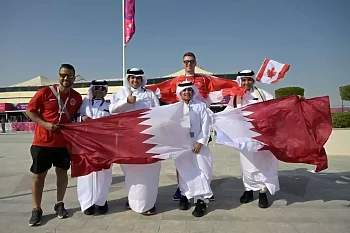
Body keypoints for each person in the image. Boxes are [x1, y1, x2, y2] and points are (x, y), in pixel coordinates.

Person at [147, 52, 242, 201]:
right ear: (182, 64)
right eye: (186, 62)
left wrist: (239, 85)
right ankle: (181, 187)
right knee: (181, 158)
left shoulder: (204, 79)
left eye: (191, 61)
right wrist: (142, 90)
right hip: (182, 123)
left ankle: (204, 187)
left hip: (200, 121)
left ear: (195, 62)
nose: (188, 64)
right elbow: (159, 89)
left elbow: (222, 84)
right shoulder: (176, 81)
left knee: (201, 158)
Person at [26, 64, 82, 226]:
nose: (66, 78)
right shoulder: (45, 92)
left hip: (63, 143)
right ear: (58, 76)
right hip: (42, 142)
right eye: (63, 75)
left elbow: (79, 116)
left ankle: (59, 203)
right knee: (39, 176)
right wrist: (45, 124)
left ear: (74, 77)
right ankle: (36, 209)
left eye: (70, 76)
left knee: (62, 174)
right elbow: (30, 111)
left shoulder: (76, 97)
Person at [109, 68, 161, 215]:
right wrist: (126, 102)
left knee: (148, 171)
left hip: (146, 138)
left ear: (142, 80)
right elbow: (112, 109)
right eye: (132, 78)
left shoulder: (149, 94)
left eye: (137, 78)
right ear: (128, 79)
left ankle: (148, 203)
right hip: (127, 139)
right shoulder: (120, 94)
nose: (134, 81)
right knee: (130, 171)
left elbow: (158, 113)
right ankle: (132, 199)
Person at [229, 69, 279, 208]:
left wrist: (294, 100)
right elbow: (227, 113)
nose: (246, 82)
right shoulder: (235, 97)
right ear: (240, 81)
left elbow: (277, 107)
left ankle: (262, 192)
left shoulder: (262, 94)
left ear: (253, 80)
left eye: (249, 80)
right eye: (243, 80)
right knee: (247, 165)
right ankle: (249, 190)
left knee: (262, 164)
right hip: (244, 136)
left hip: (261, 135)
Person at [174, 80, 213, 217]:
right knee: (184, 172)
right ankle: (185, 196)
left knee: (203, 171)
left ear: (193, 91)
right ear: (180, 93)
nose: (186, 92)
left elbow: (206, 126)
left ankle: (201, 201)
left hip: (199, 145)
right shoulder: (174, 108)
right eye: (184, 90)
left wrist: (200, 142)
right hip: (182, 147)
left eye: (189, 90)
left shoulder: (201, 106)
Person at [77, 80, 112, 215]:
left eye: (103, 89)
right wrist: (83, 119)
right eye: (97, 88)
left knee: (104, 173)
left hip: (103, 145)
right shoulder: (84, 103)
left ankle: (101, 201)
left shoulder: (110, 105)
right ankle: (87, 203)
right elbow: (75, 118)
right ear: (92, 89)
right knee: (87, 174)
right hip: (86, 144)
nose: (100, 91)